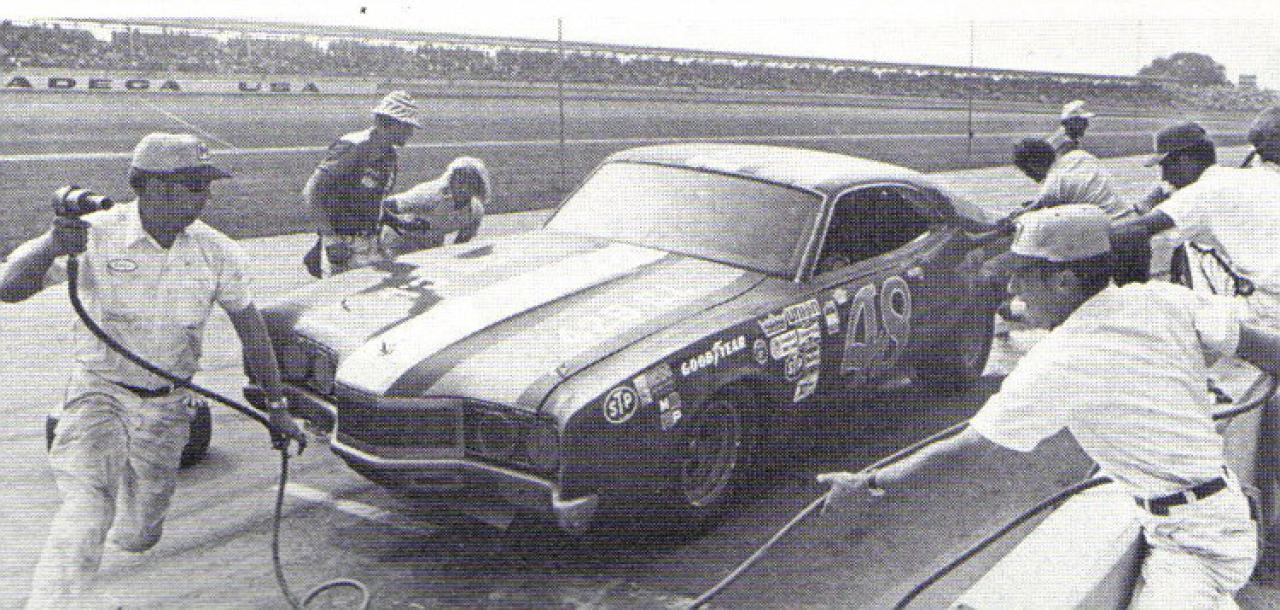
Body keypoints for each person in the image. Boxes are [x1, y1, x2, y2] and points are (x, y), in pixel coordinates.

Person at [820, 204, 1280, 608]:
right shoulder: (1161, 298)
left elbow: (969, 448)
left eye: (1023, 275)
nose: (1012, 287)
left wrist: (871, 481)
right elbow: (1259, 345)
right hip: (1216, 514)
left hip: (1195, 545)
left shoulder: (1061, 359)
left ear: (1064, 280)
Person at [0, 133, 307, 608]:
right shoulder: (95, 233)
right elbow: (9, 288)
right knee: (86, 511)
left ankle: (115, 521)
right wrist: (50, 246)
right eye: (195, 185)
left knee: (139, 534)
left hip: (168, 405)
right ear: (155, 187)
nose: (205, 197)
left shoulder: (217, 251)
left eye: (206, 185)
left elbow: (253, 330)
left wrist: (278, 406)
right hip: (98, 393)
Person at [1112, 105, 1280, 326]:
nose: (1163, 177)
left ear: (1184, 161)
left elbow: (1129, 233)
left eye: (1165, 166)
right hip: (1271, 293)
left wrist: (1150, 202)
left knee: (1189, 247)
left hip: (1264, 309)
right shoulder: (1249, 177)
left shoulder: (1201, 191)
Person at [302, 90, 424, 277]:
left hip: (370, 242)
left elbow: (371, 201)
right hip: (342, 244)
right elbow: (312, 191)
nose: (411, 133)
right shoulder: (354, 146)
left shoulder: (389, 156)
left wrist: (399, 221)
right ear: (389, 122)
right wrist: (330, 239)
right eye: (407, 126)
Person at [1011, 137, 1146, 283]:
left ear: (1034, 164)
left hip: (1114, 239)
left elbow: (1038, 208)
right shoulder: (1080, 156)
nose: (1029, 176)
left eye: (1026, 171)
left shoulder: (1051, 185)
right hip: (1135, 227)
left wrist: (1023, 212)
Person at [381, 156, 491, 256]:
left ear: (479, 188)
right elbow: (384, 205)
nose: (464, 188)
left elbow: (461, 245)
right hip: (397, 244)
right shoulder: (431, 194)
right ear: (451, 180)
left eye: (471, 184)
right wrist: (403, 224)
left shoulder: (476, 211)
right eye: (460, 182)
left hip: (430, 249)